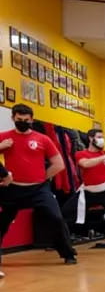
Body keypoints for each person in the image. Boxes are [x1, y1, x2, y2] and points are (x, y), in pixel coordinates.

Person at [0, 104, 78, 268]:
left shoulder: (43, 139)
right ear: (13, 118)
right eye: (19, 119)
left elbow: (59, 164)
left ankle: (68, 253)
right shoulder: (4, 137)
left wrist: (42, 178)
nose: (22, 122)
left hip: (38, 189)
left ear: (32, 120)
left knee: (55, 218)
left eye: (26, 120)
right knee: (2, 223)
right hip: (12, 188)